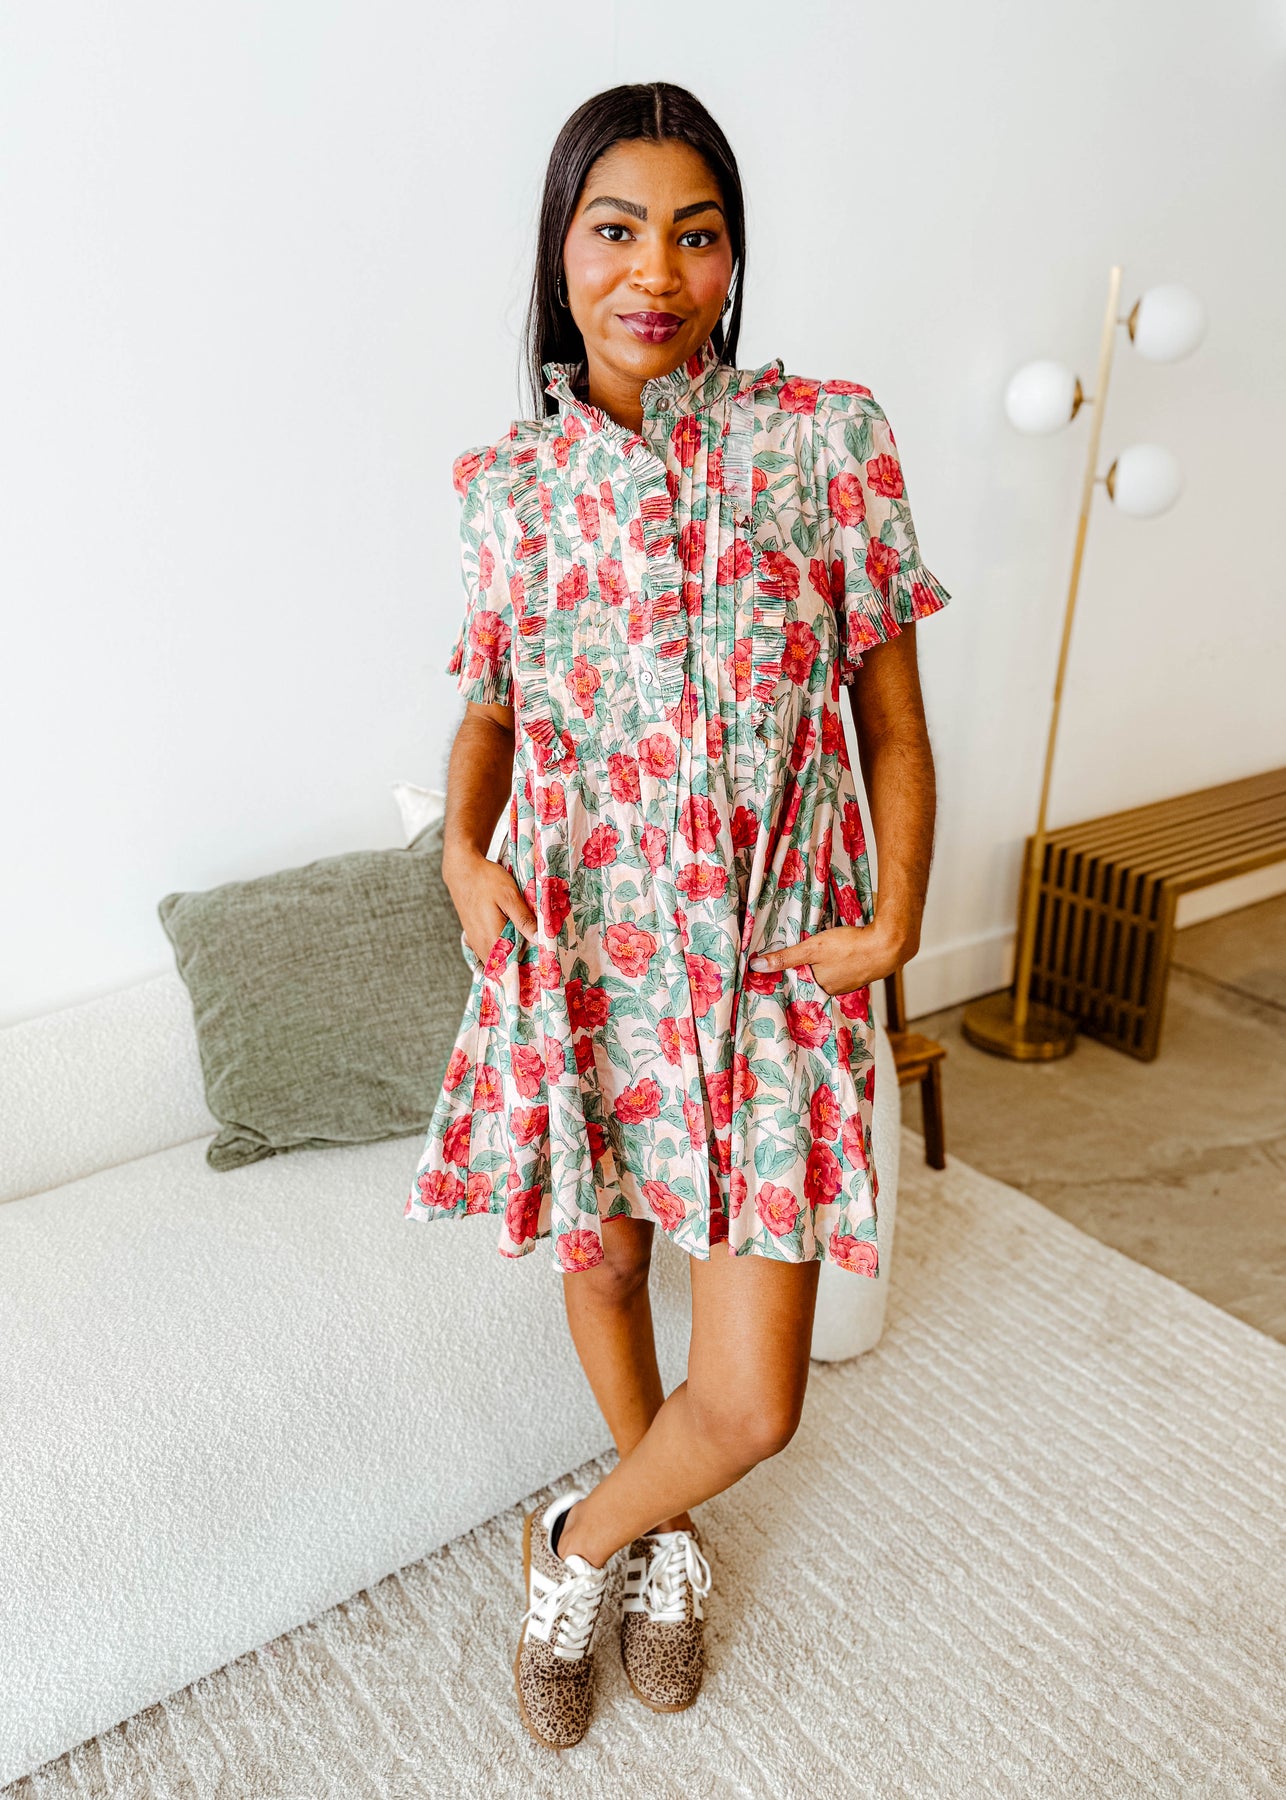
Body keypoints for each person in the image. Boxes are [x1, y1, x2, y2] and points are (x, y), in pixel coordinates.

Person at [404, 81, 951, 1752]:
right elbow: (490, 709)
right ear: (560, 252)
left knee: (754, 1398)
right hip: (580, 952)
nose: (656, 271)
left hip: (772, 963)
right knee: (612, 1255)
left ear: (732, 257)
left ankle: (577, 1538)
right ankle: (664, 1546)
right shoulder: (509, 487)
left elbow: (891, 726)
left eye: (694, 234)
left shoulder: (829, 443)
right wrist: (463, 853)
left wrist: (899, 913)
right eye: (616, 229)